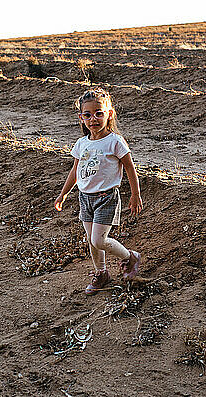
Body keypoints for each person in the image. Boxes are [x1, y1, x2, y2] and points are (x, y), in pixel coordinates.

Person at [54, 88, 143, 295]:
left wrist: (135, 194)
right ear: (81, 118)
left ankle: (130, 257)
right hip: (85, 198)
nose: (93, 119)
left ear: (109, 114)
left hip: (106, 198)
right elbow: (75, 170)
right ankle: (101, 273)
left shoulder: (115, 142)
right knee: (91, 241)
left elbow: (130, 167)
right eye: (87, 115)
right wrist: (64, 193)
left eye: (98, 113)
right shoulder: (82, 143)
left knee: (99, 240)